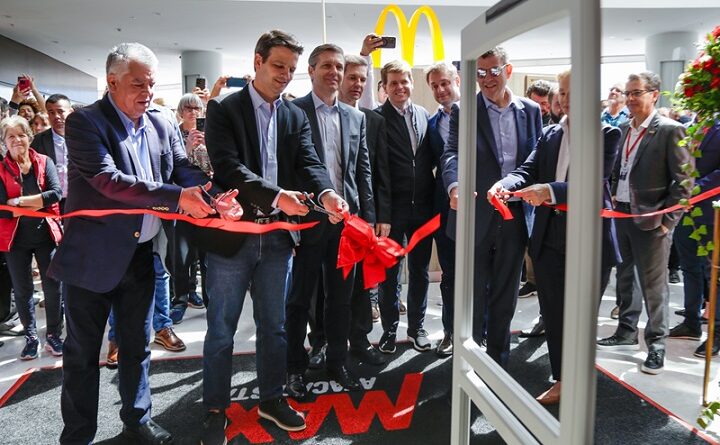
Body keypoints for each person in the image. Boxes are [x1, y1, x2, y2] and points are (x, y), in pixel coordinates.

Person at [48, 42, 242, 445]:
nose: (148, 92)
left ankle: (137, 419)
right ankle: (78, 436)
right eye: (138, 84)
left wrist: (212, 193)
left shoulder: (160, 123)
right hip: (91, 261)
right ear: (112, 82)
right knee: (82, 354)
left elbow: (180, 168)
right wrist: (177, 198)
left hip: (141, 256)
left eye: (151, 84)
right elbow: (108, 181)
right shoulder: (86, 123)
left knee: (137, 346)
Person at [201, 30, 346, 443]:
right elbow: (228, 167)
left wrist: (327, 193)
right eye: (278, 65)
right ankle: (215, 409)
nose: (284, 75)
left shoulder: (294, 115)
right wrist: (278, 196)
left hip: (278, 240)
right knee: (221, 330)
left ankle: (271, 398)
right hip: (232, 238)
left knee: (275, 327)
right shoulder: (224, 109)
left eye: (291, 69)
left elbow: (310, 162)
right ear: (257, 61)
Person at [492, 69, 621, 404]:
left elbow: (593, 183)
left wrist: (548, 191)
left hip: (589, 241)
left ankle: (578, 381)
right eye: (562, 92)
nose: (565, 99)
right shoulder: (550, 134)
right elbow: (527, 170)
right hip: (549, 238)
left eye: (571, 92)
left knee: (581, 317)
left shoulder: (607, 134)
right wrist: (504, 185)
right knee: (554, 314)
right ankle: (563, 379)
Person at [441, 47, 542, 367]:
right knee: (471, 294)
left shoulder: (530, 111)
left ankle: (498, 360)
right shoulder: (464, 110)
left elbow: (536, 159)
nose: (486, 79)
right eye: (480, 73)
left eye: (494, 71)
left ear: (508, 70)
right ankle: (470, 360)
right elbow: (451, 153)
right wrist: (455, 185)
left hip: (515, 217)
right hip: (475, 214)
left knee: (505, 293)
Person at [285, 43, 375, 400]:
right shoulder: (292, 112)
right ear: (311, 70)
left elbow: (362, 171)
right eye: (326, 66)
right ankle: (294, 369)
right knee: (299, 300)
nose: (334, 72)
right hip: (305, 221)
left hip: (346, 225)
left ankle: (338, 362)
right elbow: (287, 169)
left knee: (340, 299)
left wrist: (367, 219)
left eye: (339, 66)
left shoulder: (356, 117)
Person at [597, 71, 692, 375]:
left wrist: (667, 223)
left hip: (652, 221)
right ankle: (626, 331)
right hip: (621, 215)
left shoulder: (670, 130)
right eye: (628, 93)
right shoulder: (624, 128)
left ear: (654, 94)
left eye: (636, 93)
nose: (630, 99)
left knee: (654, 286)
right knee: (625, 278)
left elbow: (685, 182)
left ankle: (657, 344)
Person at [374, 59, 435, 354]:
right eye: (393, 83)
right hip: (392, 212)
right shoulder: (376, 119)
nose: (399, 87)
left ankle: (417, 328)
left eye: (404, 81)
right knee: (389, 274)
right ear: (384, 87)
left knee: (420, 272)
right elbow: (376, 171)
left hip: (423, 208)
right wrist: (382, 214)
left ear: (412, 82)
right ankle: (389, 331)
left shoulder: (424, 114)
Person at [338, 53, 390, 364]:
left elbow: (378, 172)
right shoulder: (313, 115)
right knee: (323, 287)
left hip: (360, 218)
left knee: (360, 286)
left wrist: (378, 216)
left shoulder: (373, 120)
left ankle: (360, 341)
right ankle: (321, 344)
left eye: (362, 79)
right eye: (352, 77)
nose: (357, 84)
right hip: (326, 216)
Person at [0, 115, 63, 359]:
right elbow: (3, 208)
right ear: (4, 142)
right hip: (14, 240)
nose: (17, 140)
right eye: (11, 136)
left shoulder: (45, 161)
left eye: (21, 134)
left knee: (53, 287)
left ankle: (54, 335)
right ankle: (31, 337)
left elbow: (55, 194)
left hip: (46, 235)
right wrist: (37, 202)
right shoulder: (1, 169)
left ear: (29, 137)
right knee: (22, 290)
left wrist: (20, 202)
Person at [668, 121, 720, 357]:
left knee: (713, 273)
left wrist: (693, 190)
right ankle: (691, 322)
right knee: (689, 267)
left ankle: (716, 333)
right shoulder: (690, 127)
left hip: (710, 212)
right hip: (684, 212)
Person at [424, 61, 460, 356]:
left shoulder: (479, 113)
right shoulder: (431, 124)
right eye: (434, 86)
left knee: (482, 273)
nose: (440, 90)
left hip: (483, 204)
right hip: (446, 208)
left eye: (444, 83)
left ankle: (482, 332)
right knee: (449, 273)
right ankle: (450, 331)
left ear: (457, 80)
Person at [169, 93, 211, 324]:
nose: (193, 112)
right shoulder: (173, 134)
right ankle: (180, 300)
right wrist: (186, 148)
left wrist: (206, 146)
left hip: (207, 203)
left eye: (197, 108)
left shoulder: (211, 133)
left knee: (207, 257)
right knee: (181, 257)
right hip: (182, 204)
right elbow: (171, 168)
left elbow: (214, 169)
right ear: (180, 111)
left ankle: (210, 300)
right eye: (188, 108)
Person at [30, 93, 73, 209]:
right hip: (50, 203)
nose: (56, 116)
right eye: (51, 112)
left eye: (60, 111)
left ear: (71, 112)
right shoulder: (38, 141)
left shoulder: (84, 138)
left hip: (78, 201)